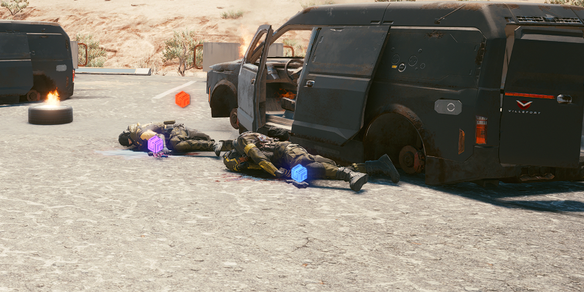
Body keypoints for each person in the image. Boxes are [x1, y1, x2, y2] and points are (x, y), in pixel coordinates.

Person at [222, 132, 399, 191]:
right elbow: (260, 166)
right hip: (287, 159)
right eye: (241, 166)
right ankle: (377, 165)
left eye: (240, 161)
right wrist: (287, 175)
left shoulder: (243, 141)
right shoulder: (247, 162)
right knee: (326, 167)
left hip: (287, 151)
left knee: (304, 166)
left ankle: (349, 175)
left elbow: (260, 158)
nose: (244, 162)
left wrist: (278, 173)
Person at [118, 121, 226, 155]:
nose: (131, 144)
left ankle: (213, 145)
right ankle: (210, 142)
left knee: (176, 145)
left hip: (174, 132)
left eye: (129, 142)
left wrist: (162, 149)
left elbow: (159, 136)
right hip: (175, 131)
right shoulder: (138, 131)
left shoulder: (142, 134)